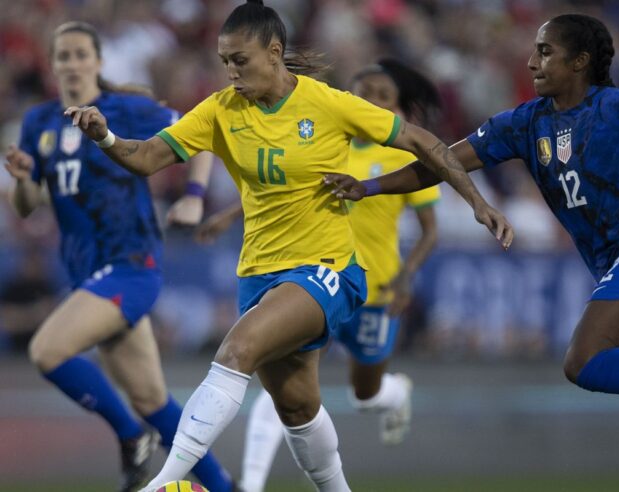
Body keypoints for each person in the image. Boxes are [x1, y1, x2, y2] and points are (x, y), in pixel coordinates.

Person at [62, 2, 510, 491]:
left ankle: (163, 483)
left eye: (241, 60)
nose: (231, 72)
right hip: (259, 273)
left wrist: (476, 201)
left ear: (274, 53)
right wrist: (104, 136)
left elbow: (424, 142)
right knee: (297, 407)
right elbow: (147, 158)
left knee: (235, 353)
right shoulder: (219, 111)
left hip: (328, 268)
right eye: (224, 61)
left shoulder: (328, 103)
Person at [325, 13, 619, 491]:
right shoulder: (524, 123)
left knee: (583, 361)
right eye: (534, 50)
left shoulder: (615, 107)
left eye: (546, 52)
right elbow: (440, 163)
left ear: (580, 61)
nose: (532, 61)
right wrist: (369, 187)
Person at [3, 21, 236, 492]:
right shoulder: (39, 122)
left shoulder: (126, 109)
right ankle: (224, 487)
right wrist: (26, 179)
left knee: (47, 350)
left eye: (79, 54)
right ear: (52, 65)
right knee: (153, 399)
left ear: (98, 61)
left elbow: (203, 132)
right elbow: (27, 207)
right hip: (89, 273)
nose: (71, 64)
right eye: (62, 56)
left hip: (132, 265)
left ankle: (131, 438)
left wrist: (193, 194)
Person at [194, 58, 442, 492]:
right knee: (285, 388)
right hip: (315, 277)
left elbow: (430, 231)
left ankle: (395, 393)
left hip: (375, 292)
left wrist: (406, 277)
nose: (371, 101)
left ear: (396, 106)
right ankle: (250, 484)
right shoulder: (328, 137)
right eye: (363, 91)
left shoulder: (399, 154)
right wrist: (229, 215)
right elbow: (282, 187)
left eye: (382, 97)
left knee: (364, 397)